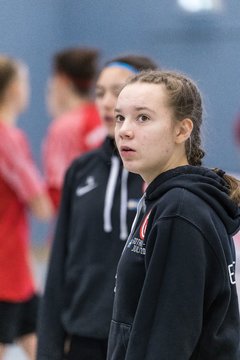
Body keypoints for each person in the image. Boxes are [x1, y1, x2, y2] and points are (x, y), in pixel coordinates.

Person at [107, 69, 240, 359]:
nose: (125, 130)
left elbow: (167, 338)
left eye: (143, 118)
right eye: (120, 117)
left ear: (182, 130)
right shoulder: (162, 200)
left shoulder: (179, 211)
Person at [37, 55, 159, 360]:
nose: (107, 103)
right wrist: (49, 347)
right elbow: (59, 264)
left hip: (145, 342)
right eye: (100, 92)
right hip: (84, 339)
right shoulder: (81, 171)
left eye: (117, 91)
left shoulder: (164, 179)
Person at [0, 55, 53, 360]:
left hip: (16, 267)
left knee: (38, 342)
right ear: (12, 89)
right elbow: (41, 204)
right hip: (6, 269)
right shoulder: (8, 139)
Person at [42, 47, 105, 210]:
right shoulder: (105, 118)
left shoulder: (64, 126)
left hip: (76, 222)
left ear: (62, 81)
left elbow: (58, 190)